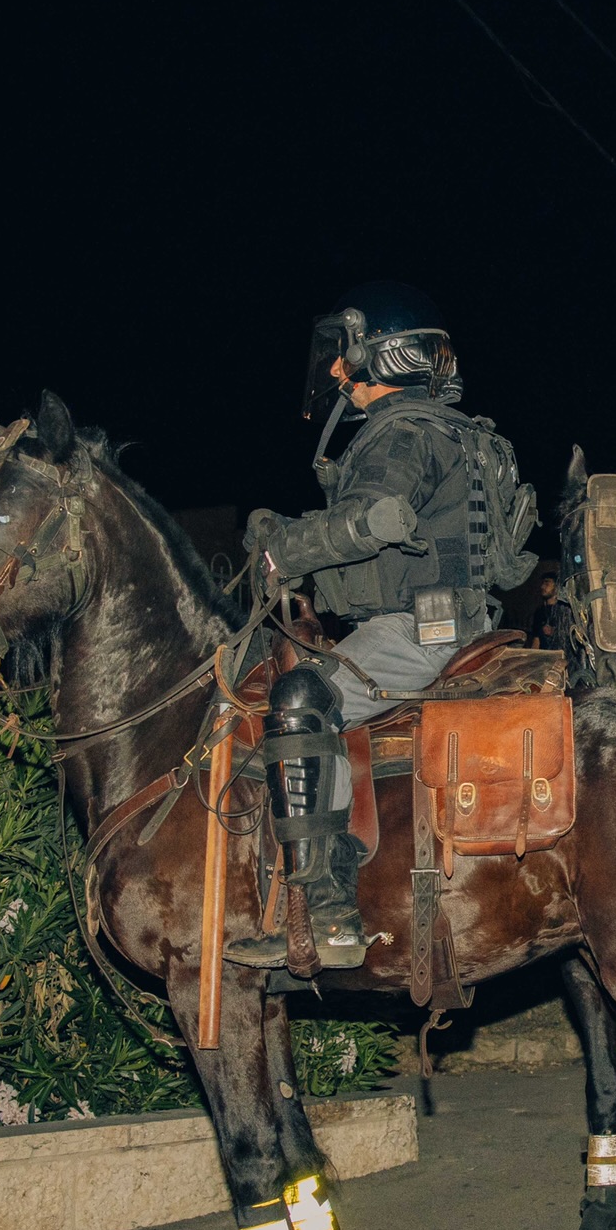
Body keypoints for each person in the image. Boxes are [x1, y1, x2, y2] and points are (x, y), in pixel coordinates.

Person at [240, 283, 538, 962]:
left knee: (302, 703)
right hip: (458, 622)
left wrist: (278, 548)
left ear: (392, 357)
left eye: (347, 356)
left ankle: (329, 913)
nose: (338, 372)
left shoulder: (402, 432)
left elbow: (375, 520)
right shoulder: (453, 432)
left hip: (417, 630)